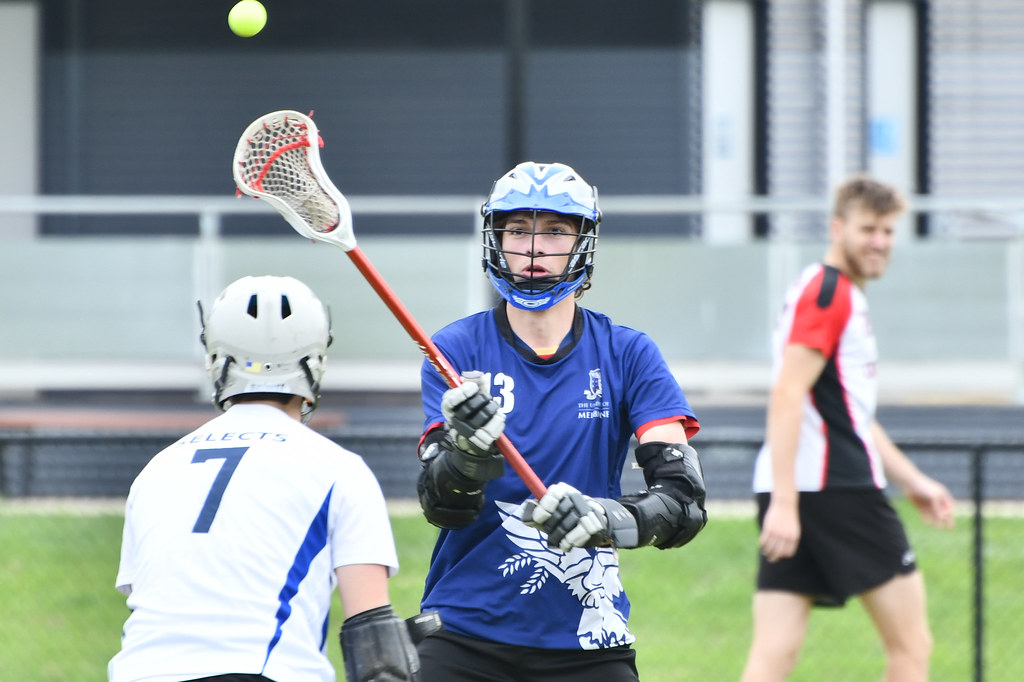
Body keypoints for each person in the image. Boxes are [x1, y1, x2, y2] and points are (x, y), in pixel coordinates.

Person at [412, 161, 708, 681]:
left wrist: (606, 518)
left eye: (553, 231)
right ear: (496, 239)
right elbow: (444, 507)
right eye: (518, 230)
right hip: (464, 631)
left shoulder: (628, 353)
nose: (533, 249)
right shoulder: (454, 350)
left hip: (588, 636)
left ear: (581, 243)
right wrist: (469, 451)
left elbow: (683, 500)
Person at [108, 275, 419, 682]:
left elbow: (151, 601)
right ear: (314, 362)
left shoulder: (156, 470)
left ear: (217, 360)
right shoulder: (339, 469)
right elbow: (375, 641)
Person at [740, 176, 956, 682]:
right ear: (838, 228)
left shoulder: (828, 291)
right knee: (912, 647)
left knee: (774, 653)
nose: (879, 241)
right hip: (833, 491)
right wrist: (788, 506)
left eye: (887, 230)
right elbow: (788, 393)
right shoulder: (829, 293)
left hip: (794, 486)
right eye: (868, 229)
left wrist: (912, 481)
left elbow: (848, 414)